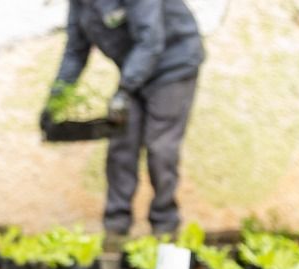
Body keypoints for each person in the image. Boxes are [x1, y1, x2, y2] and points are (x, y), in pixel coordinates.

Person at [48, 0, 204, 236]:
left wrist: (124, 89)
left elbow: (150, 40)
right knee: (122, 145)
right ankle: (116, 226)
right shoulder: (80, 3)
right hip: (135, 70)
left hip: (173, 65)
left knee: (160, 147)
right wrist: (56, 100)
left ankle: (165, 225)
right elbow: (75, 52)